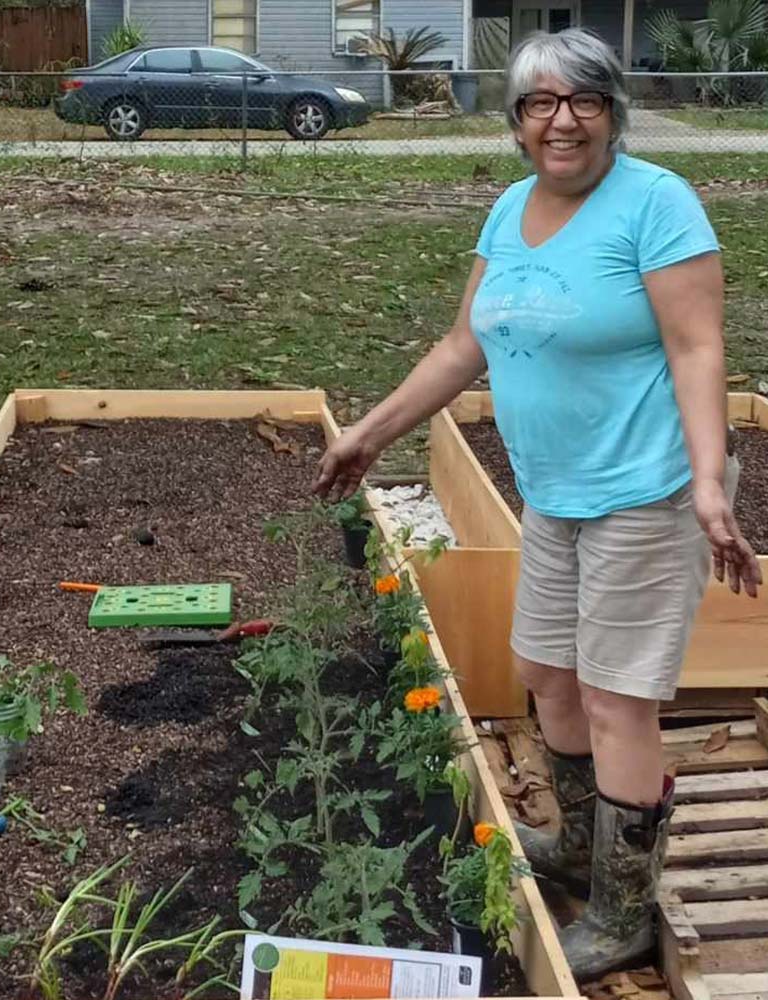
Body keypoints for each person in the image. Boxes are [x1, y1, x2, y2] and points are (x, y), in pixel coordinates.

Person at [314, 27, 761, 980]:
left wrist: (709, 481)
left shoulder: (658, 205)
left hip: (644, 491)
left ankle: (625, 908)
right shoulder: (511, 209)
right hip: (554, 495)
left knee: (615, 700)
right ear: (516, 123)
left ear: (613, 112)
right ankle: (578, 840)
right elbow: (462, 347)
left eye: (583, 101)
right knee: (545, 676)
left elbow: (696, 349)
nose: (562, 122)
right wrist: (369, 432)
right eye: (538, 105)